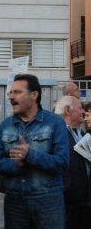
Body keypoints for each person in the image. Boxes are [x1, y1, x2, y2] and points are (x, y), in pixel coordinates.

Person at [0, 74, 69, 229]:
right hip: (15, 202)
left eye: (17, 92)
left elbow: (62, 162)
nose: (11, 97)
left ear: (34, 95)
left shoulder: (55, 123)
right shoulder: (6, 125)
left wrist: (30, 155)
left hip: (48, 202)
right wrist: (16, 164)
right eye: (10, 93)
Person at [55, 95, 91, 229]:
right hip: (67, 204)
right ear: (67, 110)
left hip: (84, 201)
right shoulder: (56, 133)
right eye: (80, 108)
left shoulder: (81, 133)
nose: (83, 112)